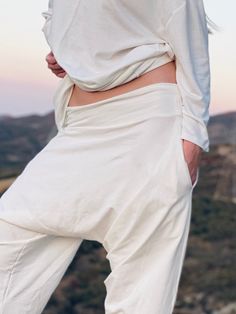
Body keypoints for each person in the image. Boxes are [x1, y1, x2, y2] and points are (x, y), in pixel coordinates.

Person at [0, 0, 212, 313]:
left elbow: (188, 32)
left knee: (140, 295)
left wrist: (191, 140)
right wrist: (71, 50)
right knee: (9, 233)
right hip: (79, 128)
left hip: (145, 127)